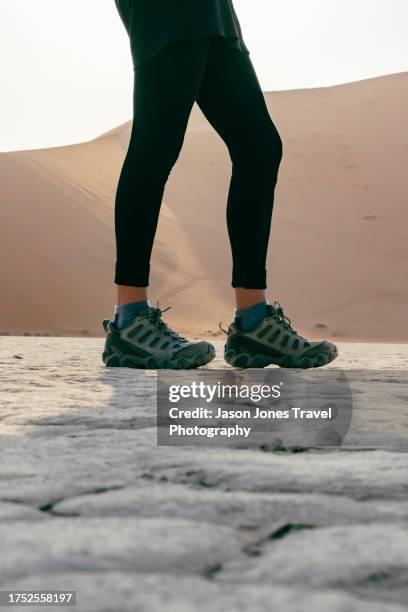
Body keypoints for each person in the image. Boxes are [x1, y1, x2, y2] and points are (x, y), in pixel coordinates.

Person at [102, 0, 338, 370]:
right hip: (164, 11)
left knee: (259, 147)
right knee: (155, 147)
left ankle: (253, 320)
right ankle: (129, 319)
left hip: (214, 11)